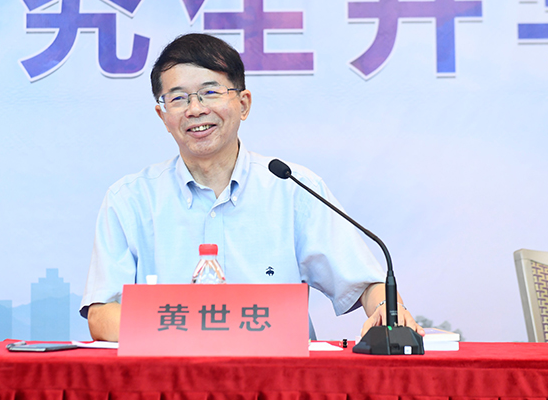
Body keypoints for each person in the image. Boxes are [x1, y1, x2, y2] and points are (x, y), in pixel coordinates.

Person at [79, 33, 424, 342]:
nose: (195, 109)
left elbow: (368, 284)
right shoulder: (131, 199)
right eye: (179, 98)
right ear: (163, 116)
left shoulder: (293, 189)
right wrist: (198, 332)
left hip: (277, 381)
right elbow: (101, 315)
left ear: (243, 104)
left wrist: (386, 312)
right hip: (170, 381)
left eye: (210, 92)